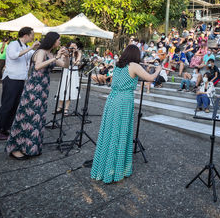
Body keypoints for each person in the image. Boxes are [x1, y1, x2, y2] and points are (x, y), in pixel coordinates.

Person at [91, 44, 162, 183]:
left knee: (109, 133)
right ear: (136, 56)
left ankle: (103, 167)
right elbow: (150, 78)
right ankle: (115, 170)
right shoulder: (134, 65)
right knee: (120, 133)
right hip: (124, 101)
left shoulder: (117, 65)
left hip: (112, 100)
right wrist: (158, 69)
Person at [6, 32, 70, 159]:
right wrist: (56, 58)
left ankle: (31, 147)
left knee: (37, 117)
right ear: (52, 41)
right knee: (27, 116)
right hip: (34, 87)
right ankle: (16, 148)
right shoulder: (41, 52)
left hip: (43, 88)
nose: (59, 43)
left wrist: (66, 57)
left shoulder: (50, 54)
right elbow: (38, 66)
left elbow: (65, 66)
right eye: (58, 40)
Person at [0, 27, 39, 141]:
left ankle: (6, 128)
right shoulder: (13, 44)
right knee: (7, 105)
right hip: (11, 78)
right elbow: (13, 55)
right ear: (26, 35)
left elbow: (33, 55)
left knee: (14, 106)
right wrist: (32, 48)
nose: (33, 37)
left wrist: (40, 49)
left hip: (20, 79)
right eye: (32, 35)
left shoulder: (26, 47)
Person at [57, 41, 82, 115]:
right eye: (72, 46)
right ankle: (60, 107)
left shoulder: (78, 54)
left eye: (75, 46)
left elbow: (77, 63)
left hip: (74, 72)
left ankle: (66, 108)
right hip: (66, 72)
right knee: (63, 88)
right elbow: (62, 62)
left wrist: (76, 55)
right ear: (69, 47)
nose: (74, 47)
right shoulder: (65, 53)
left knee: (70, 89)